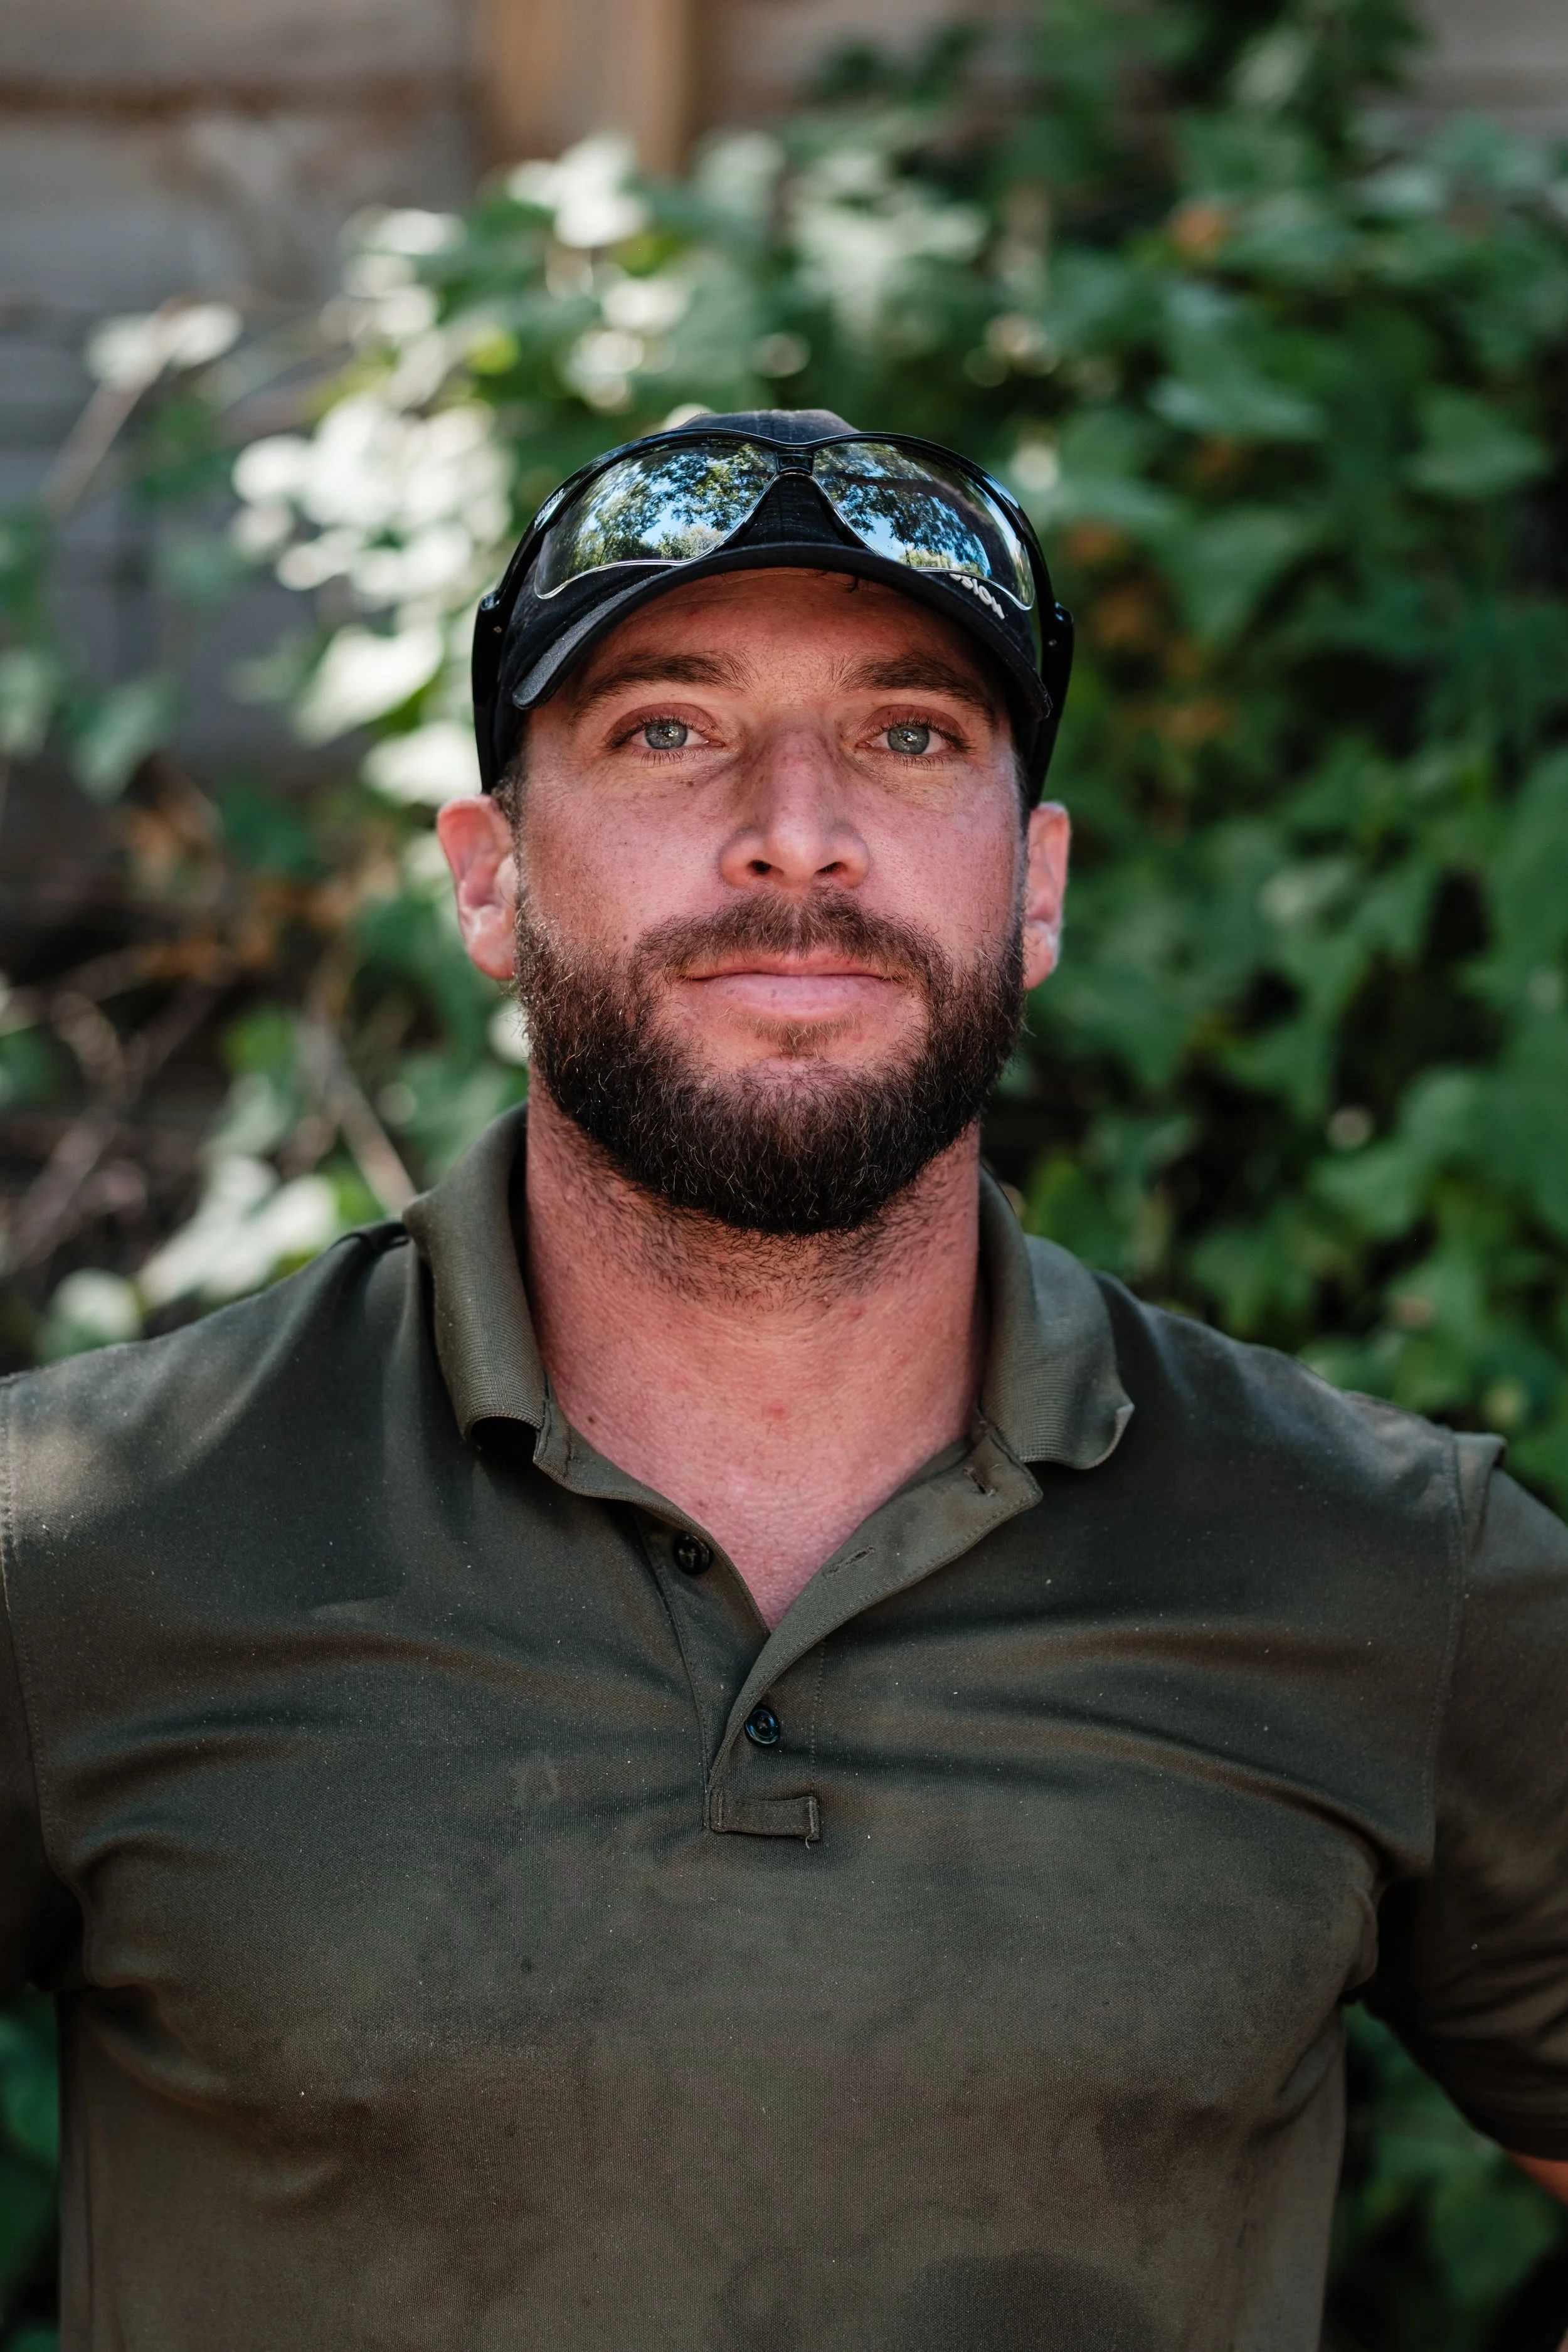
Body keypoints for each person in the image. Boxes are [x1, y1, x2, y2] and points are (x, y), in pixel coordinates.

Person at [1, 408, 1565, 2351]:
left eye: (910, 736)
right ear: (488, 879)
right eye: (668, 728)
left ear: (1037, 884)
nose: (797, 828)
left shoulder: (1381, 1563)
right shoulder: (85, 1538)